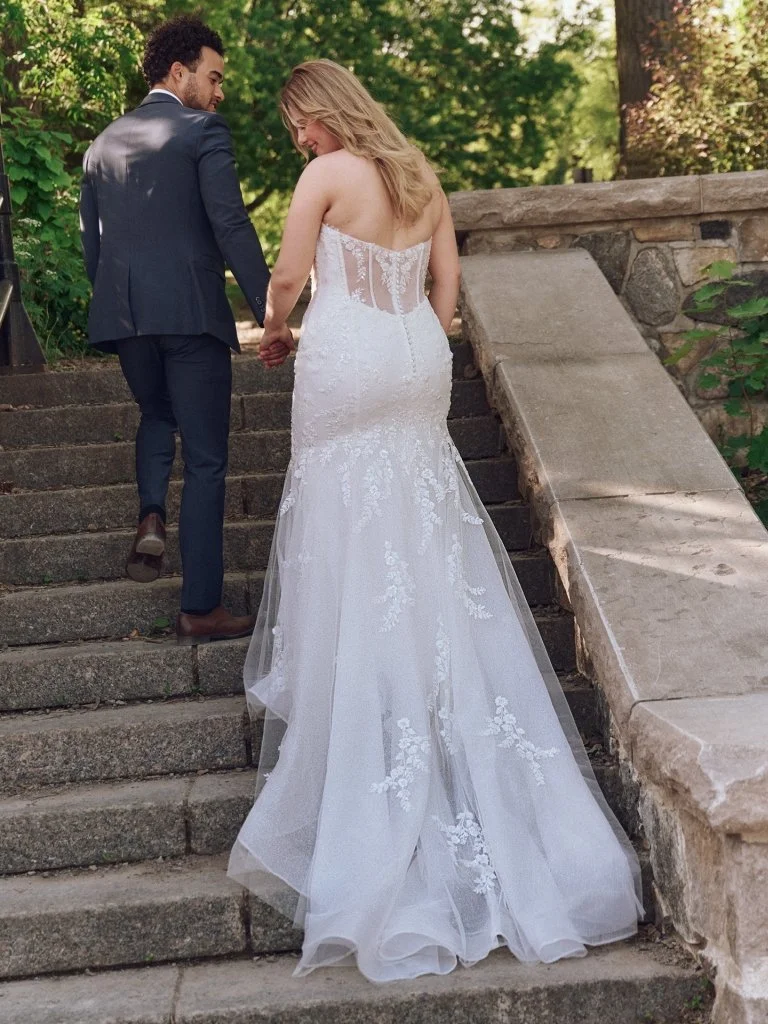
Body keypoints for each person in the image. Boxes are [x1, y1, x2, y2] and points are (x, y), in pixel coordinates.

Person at [228, 59, 644, 983]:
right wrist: (418, 338)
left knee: (343, 511)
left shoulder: (326, 177)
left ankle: (370, 711)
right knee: (424, 517)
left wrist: (278, 324)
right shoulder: (418, 174)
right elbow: (447, 292)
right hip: (417, 356)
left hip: (347, 359)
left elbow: (291, 273)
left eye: (299, 122)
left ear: (325, 112)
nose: (297, 139)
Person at [79, 15, 291, 645]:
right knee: (205, 461)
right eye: (214, 75)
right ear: (180, 72)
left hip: (126, 317)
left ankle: (150, 514)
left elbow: (93, 247)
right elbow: (231, 226)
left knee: (154, 414)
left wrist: (120, 310)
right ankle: (201, 607)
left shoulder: (100, 145)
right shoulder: (202, 131)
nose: (219, 90)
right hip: (193, 315)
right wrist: (270, 312)